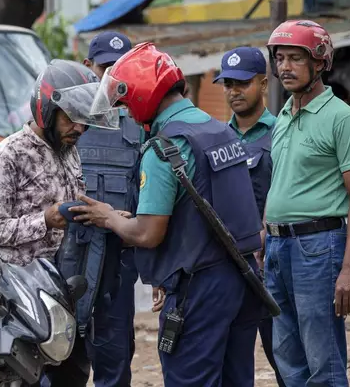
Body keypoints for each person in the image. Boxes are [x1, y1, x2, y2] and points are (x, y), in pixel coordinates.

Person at [69, 42, 265, 386]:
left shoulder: (164, 149)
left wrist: (108, 217)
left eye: (127, 100)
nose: (125, 109)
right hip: (243, 280)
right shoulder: (220, 131)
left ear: (144, 95)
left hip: (199, 288)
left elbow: (148, 233)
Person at [0, 59, 120, 386]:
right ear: (46, 108)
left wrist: (108, 215)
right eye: (72, 119)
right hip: (21, 296)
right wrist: (44, 219)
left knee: (72, 374)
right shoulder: (6, 155)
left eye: (85, 121)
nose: (80, 129)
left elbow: (74, 205)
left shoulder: (68, 150)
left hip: (65, 290)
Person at [263, 20, 350, 386]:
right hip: (278, 246)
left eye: (295, 58)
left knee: (322, 358)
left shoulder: (343, 119)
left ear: (320, 62)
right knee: (288, 358)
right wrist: (267, 237)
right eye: (280, 58)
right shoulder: (282, 117)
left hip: (318, 249)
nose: (285, 67)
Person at [212, 46, 285, 386]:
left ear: (263, 83)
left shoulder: (283, 133)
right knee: (232, 365)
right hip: (227, 269)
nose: (233, 91)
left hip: (274, 265)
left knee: (286, 358)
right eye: (227, 83)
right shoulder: (215, 138)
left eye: (242, 83)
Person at [78, 31, 139, 387]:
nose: (114, 78)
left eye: (121, 69)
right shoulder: (68, 123)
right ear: (89, 67)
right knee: (60, 354)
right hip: (71, 257)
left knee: (114, 355)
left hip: (119, 262)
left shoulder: (141, 127)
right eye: (106, 68)